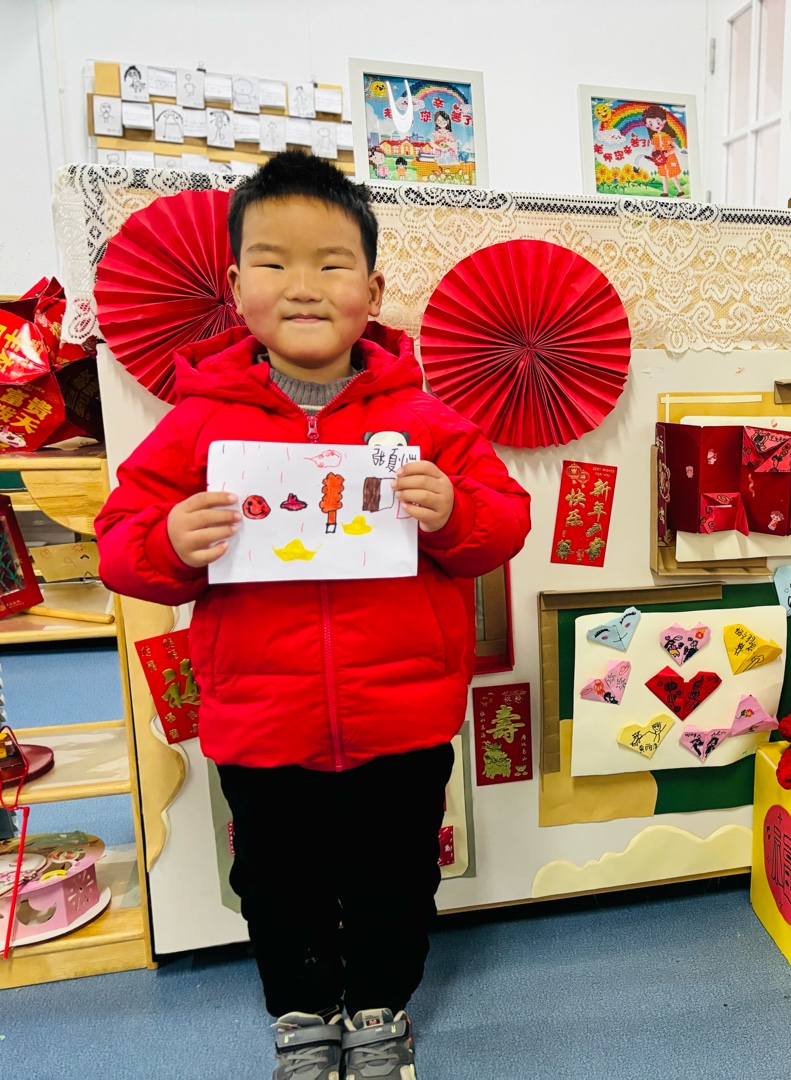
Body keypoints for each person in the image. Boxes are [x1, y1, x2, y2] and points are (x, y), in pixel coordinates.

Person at [95, 150, 531, 1080]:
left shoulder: (425, 419)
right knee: (276, 881)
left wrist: (453, 510)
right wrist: (171, 538)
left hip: (403, 716)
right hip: (260, 721)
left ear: (372, 291)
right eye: (274, 261)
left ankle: (379, 1007)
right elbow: (119, 545)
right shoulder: (197, 424)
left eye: (332, 264)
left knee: (397, 875)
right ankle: (301, 1015)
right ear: (234, 287)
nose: (303, 285)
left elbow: (503, 524)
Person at [641, 104, 683, 197]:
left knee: (673, 174)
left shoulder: (667, 136)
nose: (656, 125)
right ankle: (665, 192)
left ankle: (680, 190)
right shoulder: (654, 138)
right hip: (660, 159)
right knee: (663, 174)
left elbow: (676, 148)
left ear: (664, 121)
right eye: (651, 124)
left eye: (657, 122)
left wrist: (667, 153)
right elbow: (653, 147)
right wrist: (650, 156)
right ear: (647, 125)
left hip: (670, 159)